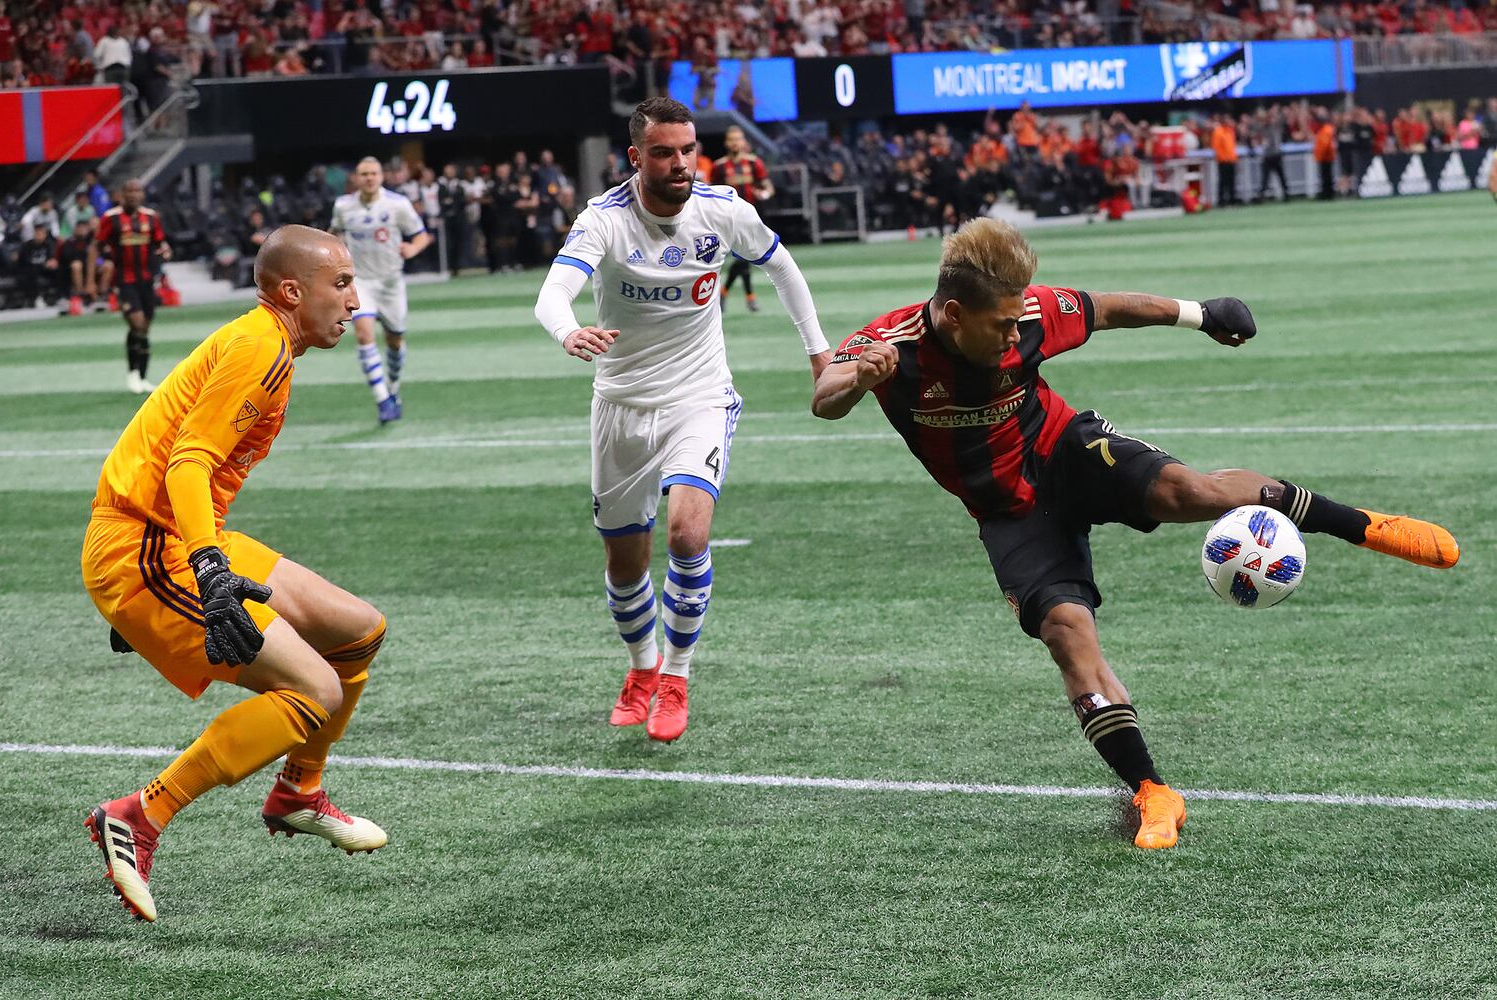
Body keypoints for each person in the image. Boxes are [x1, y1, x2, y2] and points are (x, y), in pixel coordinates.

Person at [810, 218, 1460, 850]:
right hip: (1009, 513)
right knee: (1067, 634)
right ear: (954, 315)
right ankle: (1152, 791)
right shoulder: (889, 345)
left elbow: (1108, 308)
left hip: (1064, 447)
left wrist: (1201, 315)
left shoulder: (1028, 313)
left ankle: (1364, 526)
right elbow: (825, 394)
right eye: (1000, 324)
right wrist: (860, 380)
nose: (1014, 333)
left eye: (1017, 320)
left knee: (1192, 493)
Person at [81, 226, 390, 923]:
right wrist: (207, 568)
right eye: (341, 283)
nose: (353, 299)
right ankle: (139, 815)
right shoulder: (260, 346)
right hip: (145, 546)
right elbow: (188, 461)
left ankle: (299, 791)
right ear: (293, 292)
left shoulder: (268, 341)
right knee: (313, 690)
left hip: (173, 538)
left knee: (359, 631)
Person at [533, 97, 831, 742]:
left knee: (688, 535)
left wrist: (818, 351)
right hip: (620, 403)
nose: (679, 163)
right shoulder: (604, 219)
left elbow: (782, 267)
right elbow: (553, 293)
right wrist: (568, 331)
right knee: (624, 563)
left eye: (688, 150)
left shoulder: (723, 210)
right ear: (635, 156)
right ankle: (642, 667)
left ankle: (676, 674)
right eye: (664, 152)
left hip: (700, 396)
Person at [330, 156, 433, 423]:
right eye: (364, 174)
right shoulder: (343, 206)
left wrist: (413, 248)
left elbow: (421, 235)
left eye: (373, 173)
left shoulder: (398, 204)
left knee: (395, 341)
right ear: (356, 178)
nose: (369, 178)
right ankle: (382, 401)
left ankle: (393, 388)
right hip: (361, 282)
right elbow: (335, 235)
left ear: (381, 176)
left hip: (391, 283)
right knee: (364, 334)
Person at [96, 179, 172, 394]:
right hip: (124, 280)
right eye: (129, 191)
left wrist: (165, 250)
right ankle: (132, 373)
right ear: (123, 194)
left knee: (144, 328)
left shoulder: (151, 217)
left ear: (142, 194)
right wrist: (96, 275)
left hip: (147, 280)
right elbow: (97, 245)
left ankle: (143, 376)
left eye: (137, 191)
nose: (133, 195)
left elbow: (160, 242)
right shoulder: (111, 218)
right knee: (137, 323)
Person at [716, 125, 774, 314]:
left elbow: (768, 186)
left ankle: (728, 294)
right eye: (732, 139)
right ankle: (745, 297)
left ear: (744, 142)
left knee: (745, 258)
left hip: (752, 218)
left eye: (738, 139)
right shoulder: (719, 166)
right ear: (726, 143)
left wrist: (764, 194)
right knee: (744, 257)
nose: (735, 143)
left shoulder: (754, 163)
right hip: (729, 220)